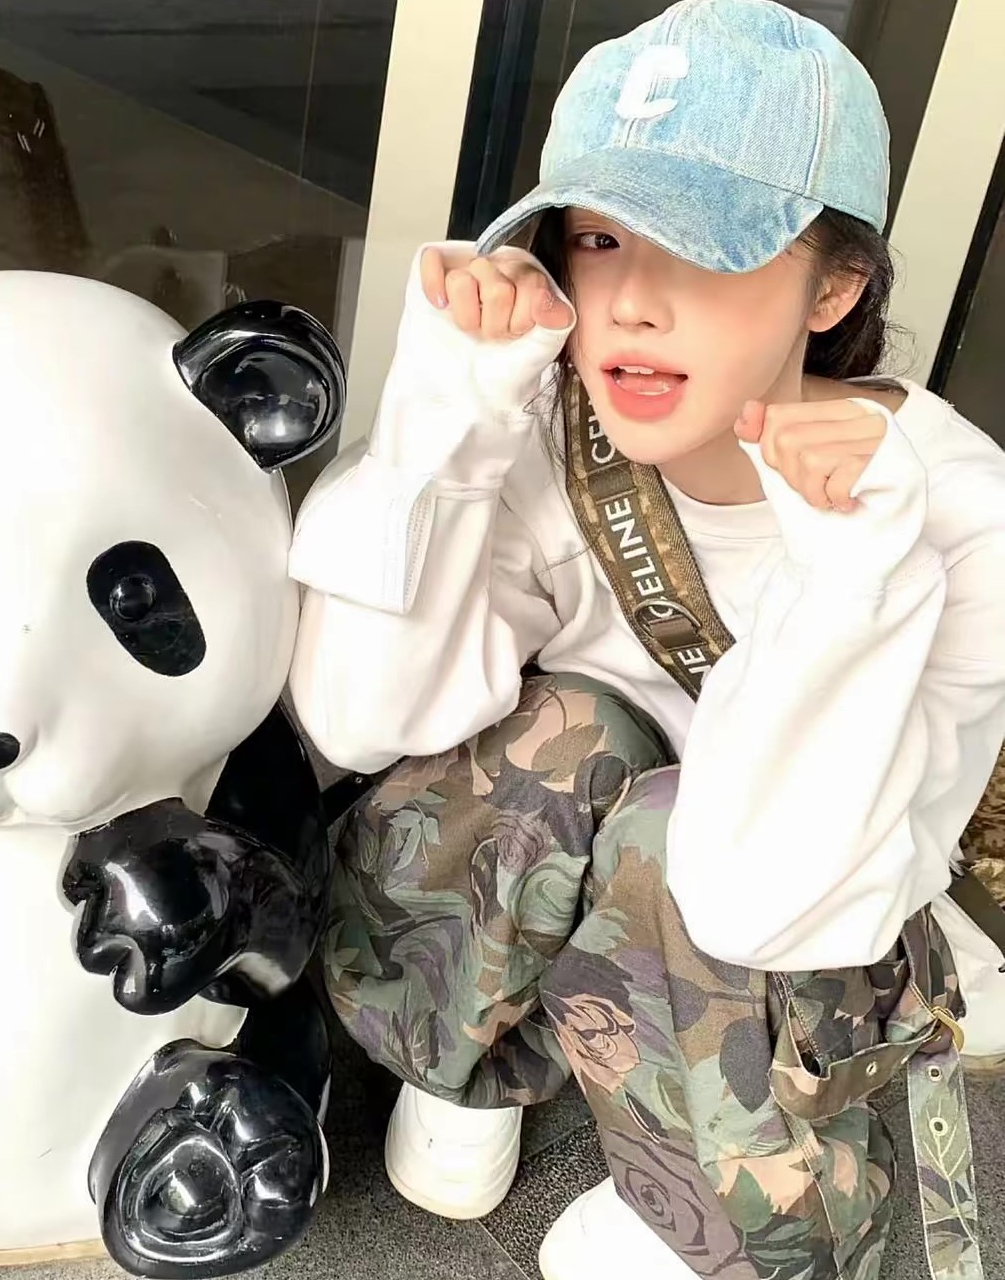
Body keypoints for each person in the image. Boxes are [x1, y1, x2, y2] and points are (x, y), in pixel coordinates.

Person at [286, 2, 1005, 1278]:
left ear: (833, 287)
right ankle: (471, 1060)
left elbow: (766, 895)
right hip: (574, 879)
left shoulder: (959, 515)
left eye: (705, 252)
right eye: (599, 240)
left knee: (676, 825)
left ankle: (701, 1204)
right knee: (564, 730)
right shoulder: (547, 429)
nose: (629, 305)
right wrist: (446, 418)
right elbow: (359, 717)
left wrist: (849, 575)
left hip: (787, 927)